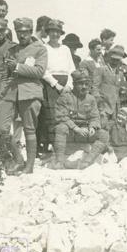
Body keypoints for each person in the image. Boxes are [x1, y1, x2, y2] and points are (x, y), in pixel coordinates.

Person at [0, 17, 47, 175]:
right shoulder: (12, 50)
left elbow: (40, 71)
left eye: (25, 32)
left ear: (31, 32)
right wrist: (1, 91)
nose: (22, 35)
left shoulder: (40, 49)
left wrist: (18, 66)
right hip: (10, 92)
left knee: (29, 129)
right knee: (1, 129)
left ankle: (29, 166)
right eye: (18, 32)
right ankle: (18, 159)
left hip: (30, 92)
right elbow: (5, 73)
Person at [49, 70, 109, 169]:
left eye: (86, 84)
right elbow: (61, 117)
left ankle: (86, 162)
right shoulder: (65, 97)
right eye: (80, 84)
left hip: (84, 132)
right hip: (70, 132)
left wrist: (92, 127)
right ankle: (59, 162)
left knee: (103, 134)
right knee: (61, 128)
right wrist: (76, 128)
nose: (84, 86)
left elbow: (95, 117)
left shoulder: (91, 99)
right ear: (74, 84)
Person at [40, 19, 76, 153]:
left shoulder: (65, 49)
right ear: (48, 33)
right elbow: (43, 70)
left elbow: (71, 69)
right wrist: (55, 84)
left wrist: (69, 85)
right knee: (51, 117)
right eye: (52, 32)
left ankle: (64, 147)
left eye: (57, 32)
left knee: (65, 115)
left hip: (66, 84)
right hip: (50, 85)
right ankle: (52, 147)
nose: (55, 34)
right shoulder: (44, 48)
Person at [94, 46, 127, 129]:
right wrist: (100, 105)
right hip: (103, 107)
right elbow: (94, 88)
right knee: (102, 129)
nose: (115, 62)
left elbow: (120, 91)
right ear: (109, 58)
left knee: (114, 130)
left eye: (117, 60)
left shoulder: (120, 74)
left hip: (115, 109)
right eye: (113, 59)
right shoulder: (101, 70)